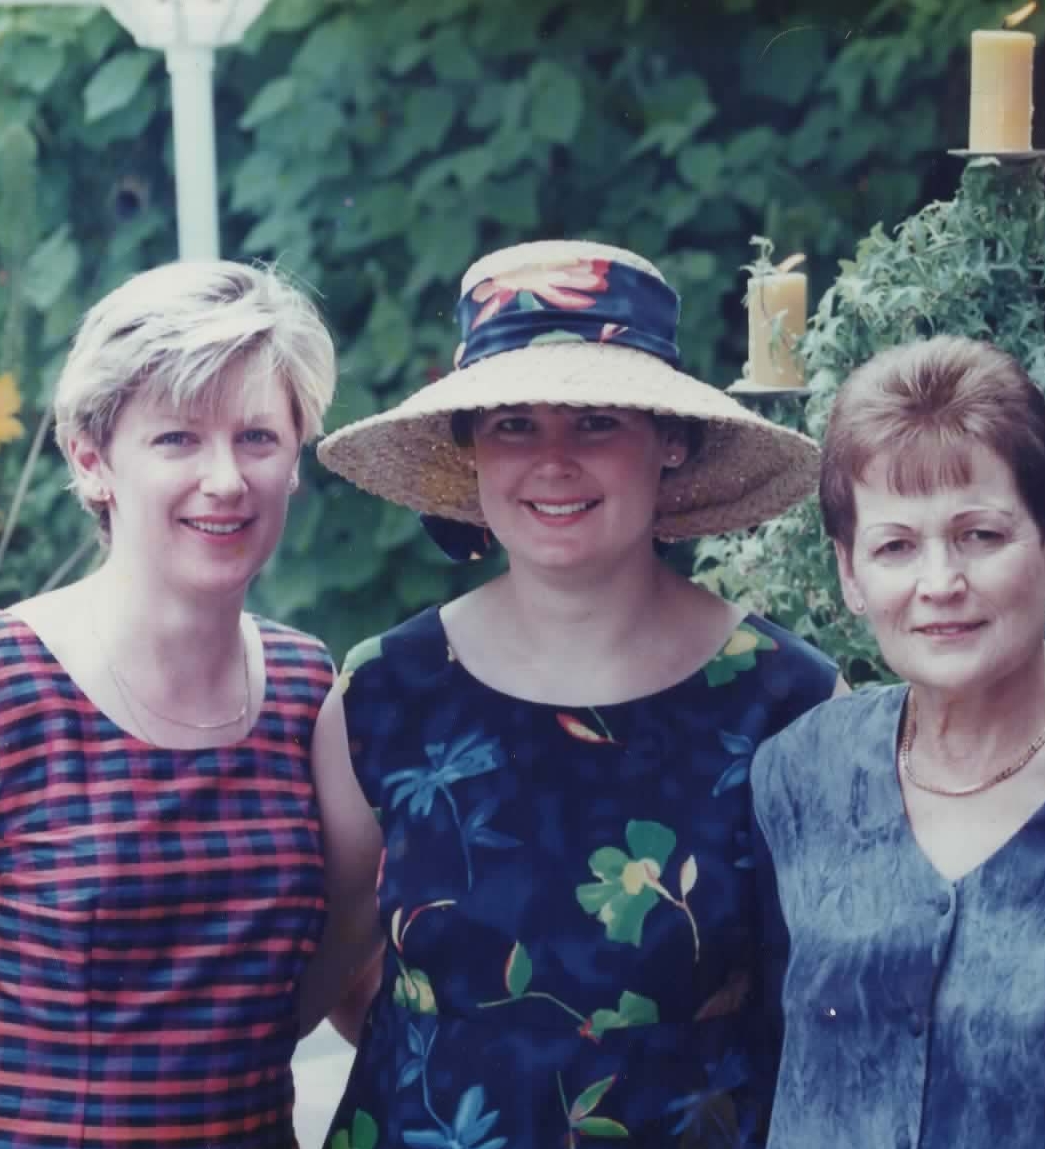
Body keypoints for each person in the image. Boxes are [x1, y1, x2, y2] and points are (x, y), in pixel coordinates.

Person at [306, 240, 839, 1148]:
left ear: (671, 440)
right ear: (469, 447)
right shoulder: (384, 692)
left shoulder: (787, 700)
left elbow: (830, 1010)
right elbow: (332, 972)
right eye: (513, 423)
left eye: (595, 420)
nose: (552, 460)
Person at [0, 260, 341, 1145]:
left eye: (257, 437)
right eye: (177, 438)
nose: (225, 478)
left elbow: (358, 983)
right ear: (92, 459)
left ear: (296, 458)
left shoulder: (311, 690)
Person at [750, 336, 1045, 1148]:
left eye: (979, 534)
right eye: (896, 545)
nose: (939, 584)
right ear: (850, 573)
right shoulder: (800, 773)